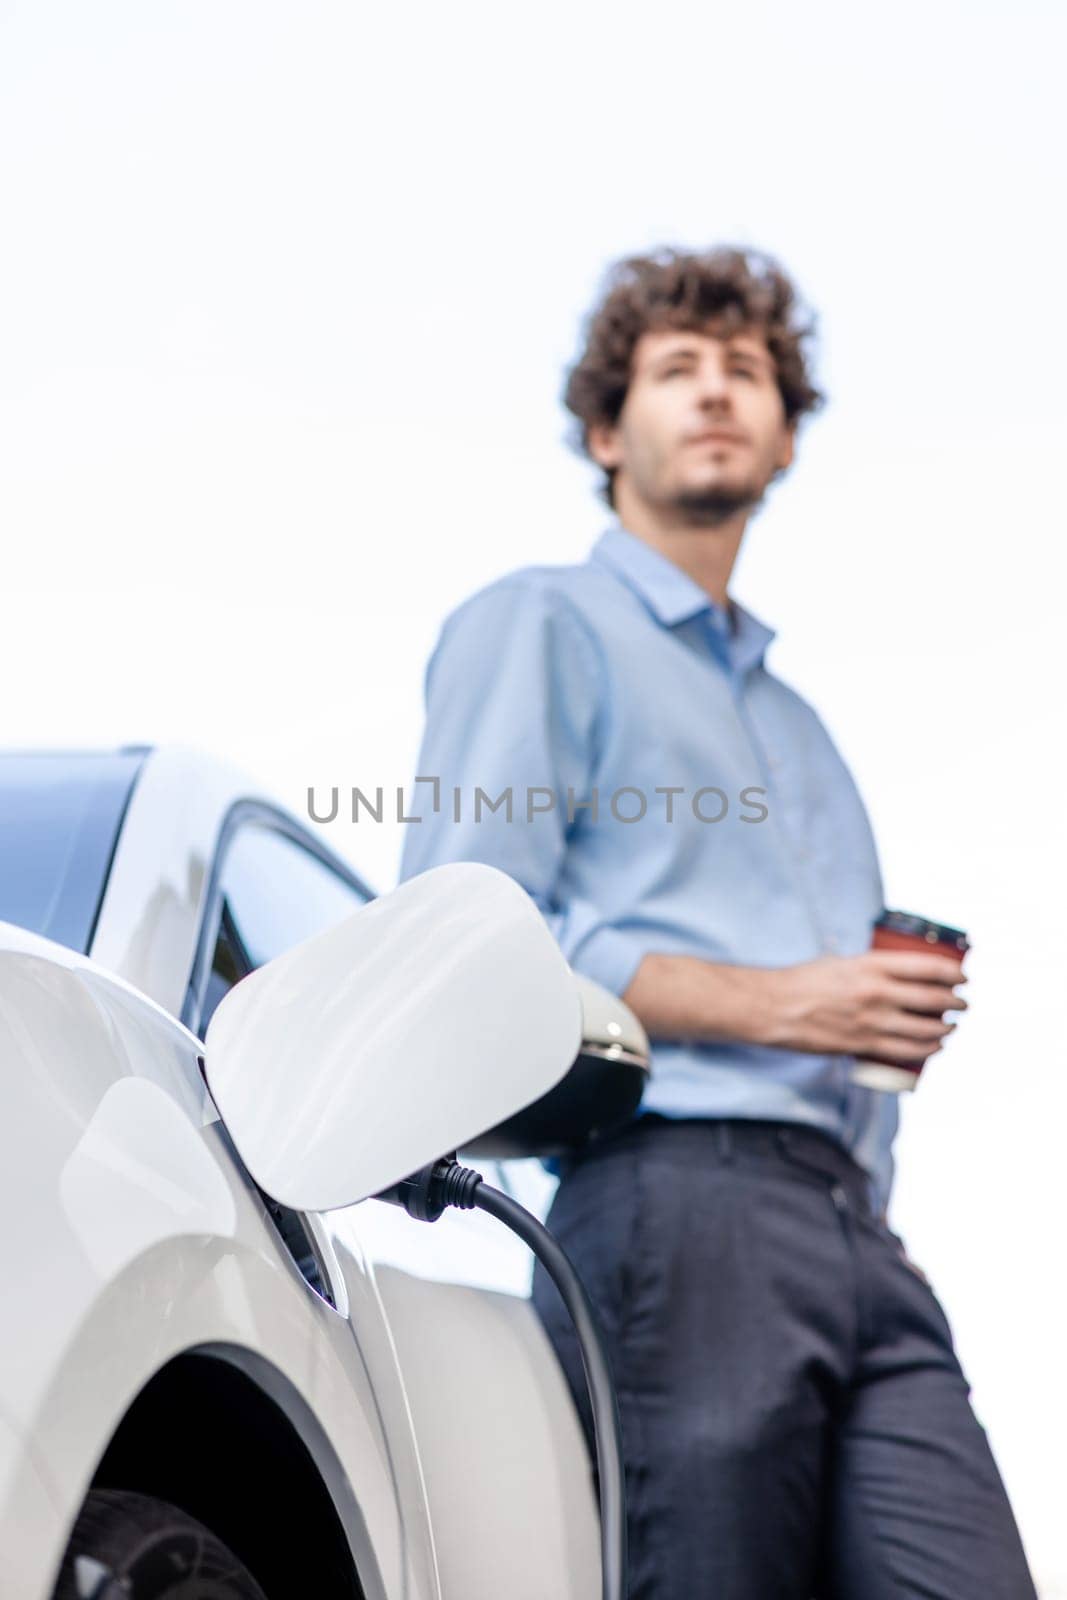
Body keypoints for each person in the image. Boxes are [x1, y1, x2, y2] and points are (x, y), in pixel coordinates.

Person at [398, 246, 1036, 1598]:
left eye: (745, 372)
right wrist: (783, 1003)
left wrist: (861, 1051)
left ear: (786, 434)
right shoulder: (543, 622)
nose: (715, 393)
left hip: (858, 1227)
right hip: (675, 1202)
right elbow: (468, 927)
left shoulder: (806, 731)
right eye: (676, 369)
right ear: (605, 428)